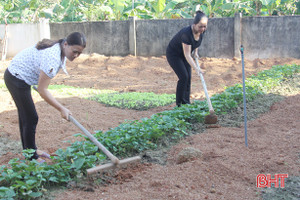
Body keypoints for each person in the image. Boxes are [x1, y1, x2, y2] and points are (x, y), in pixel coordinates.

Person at [4, 32, 86, 163]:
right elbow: (43, 90)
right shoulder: (52, 57)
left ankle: (30, 150)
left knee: (26, 116)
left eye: (79, 53)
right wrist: (61, 108)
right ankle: (32, 158)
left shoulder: (59, 49)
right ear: (65, 44)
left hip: (18, 76)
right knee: (30, 117)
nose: (76, 55)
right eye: (75, 51)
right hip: (16, 78)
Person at [166, 11, 208, 107]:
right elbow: (187, 55)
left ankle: (186, 102)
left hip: (185, 54)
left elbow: (196, 42)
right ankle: (179, 105)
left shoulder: (202, 31)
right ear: (194, 24)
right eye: (200, 26)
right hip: (174, 54)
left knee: (188, 77)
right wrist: (197, 68)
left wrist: (196, 52)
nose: (203, 28)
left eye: (205, 26)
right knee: (183, 77)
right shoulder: (186, 34)